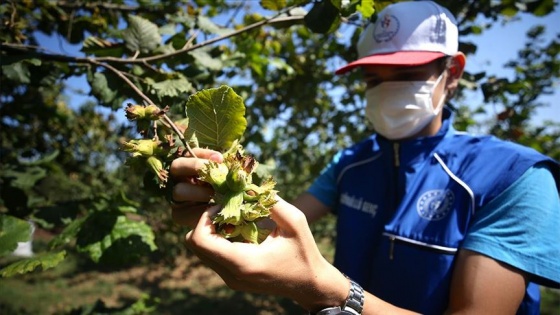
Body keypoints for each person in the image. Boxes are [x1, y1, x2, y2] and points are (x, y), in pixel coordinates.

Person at [169, 1, 560, 314]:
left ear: (452, 71)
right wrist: (220, 196)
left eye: (406, 74)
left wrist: (332, 292)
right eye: (373, 79)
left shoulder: (515, 177)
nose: (386, 90)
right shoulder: (351, 163)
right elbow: (274, 221)